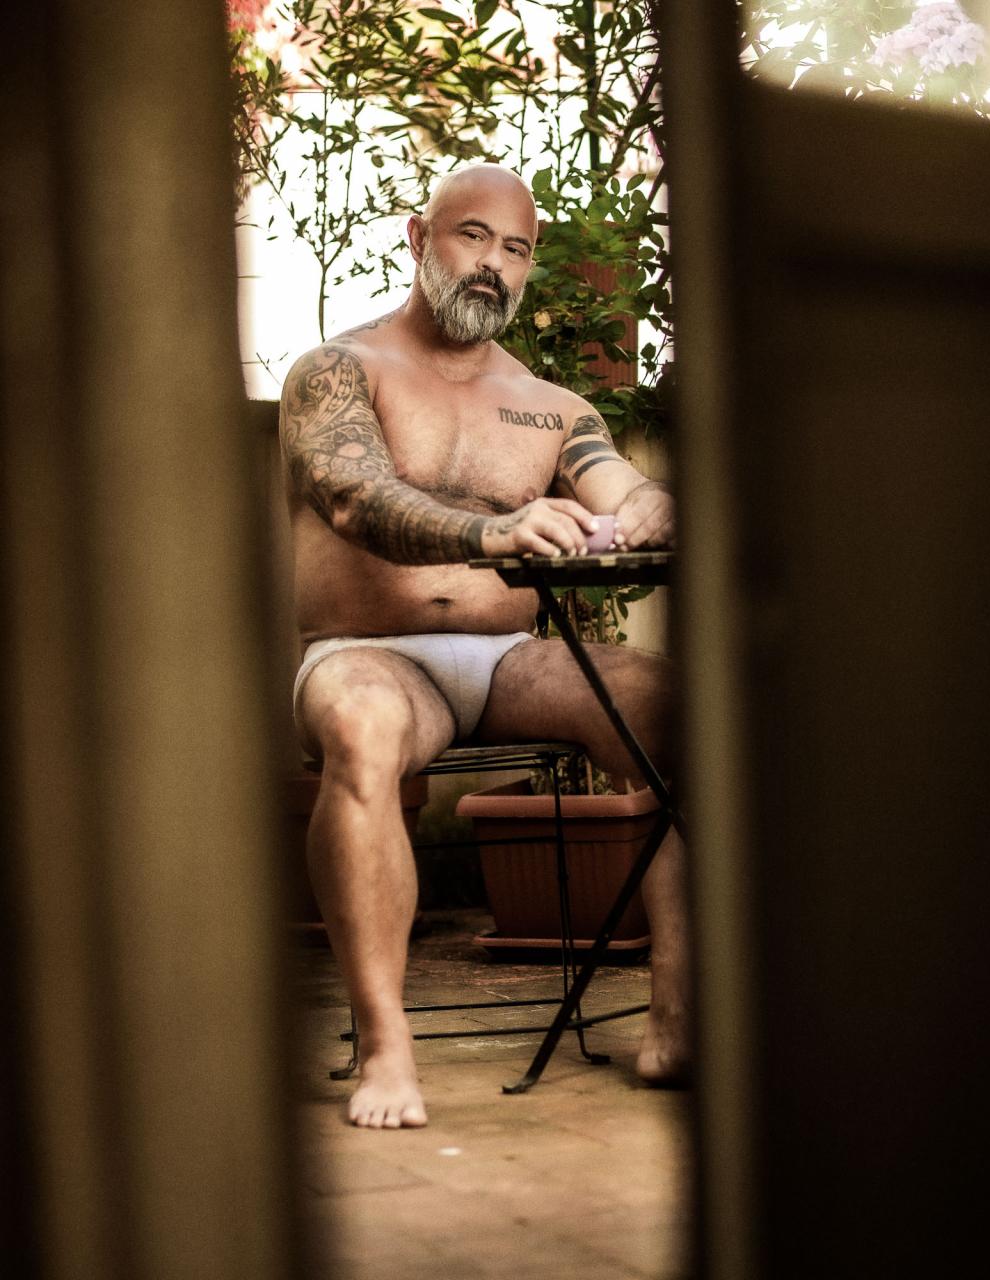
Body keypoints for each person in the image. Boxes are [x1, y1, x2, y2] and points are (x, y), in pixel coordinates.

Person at [280, 163, 688, 1129]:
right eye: (472, 236)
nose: (492, 265)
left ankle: (677, 1015)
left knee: (687, 710)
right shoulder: (340, 370)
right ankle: (386, 1047)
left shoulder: (552, 407)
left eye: (515, 249)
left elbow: (621, 489)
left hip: (506, 666)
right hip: (368, 655)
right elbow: (357, 499)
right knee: (363, 727)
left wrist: (651, 507)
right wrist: (491, 532)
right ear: (419, 238)